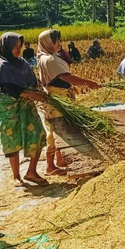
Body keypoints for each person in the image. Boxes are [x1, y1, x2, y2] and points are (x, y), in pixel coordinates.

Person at [37, 29, 100, 175]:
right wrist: (87, 83)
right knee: (56, 130)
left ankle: (59, 160)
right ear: (48, 43)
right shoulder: (49, 59)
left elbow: (60, 78)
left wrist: (71, 87)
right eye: (56, 40)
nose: (60, 43)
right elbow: (66, 77)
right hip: (57, 101)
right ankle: (49, 166)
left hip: (60, 98)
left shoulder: (47, 57)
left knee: (59, 129)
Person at [0, 33, 49, 186]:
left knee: (38, 134)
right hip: (10, 108)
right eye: (14, 47)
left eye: (19, 47)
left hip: (27, 105)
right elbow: (9, 88)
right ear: (6, 47)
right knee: (12, 140)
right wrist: (31, 94)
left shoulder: (22, 63)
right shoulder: (2, 65)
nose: (18, 50)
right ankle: (16, 176)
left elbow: (33, 80)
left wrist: (41, 92)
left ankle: (31, 171)